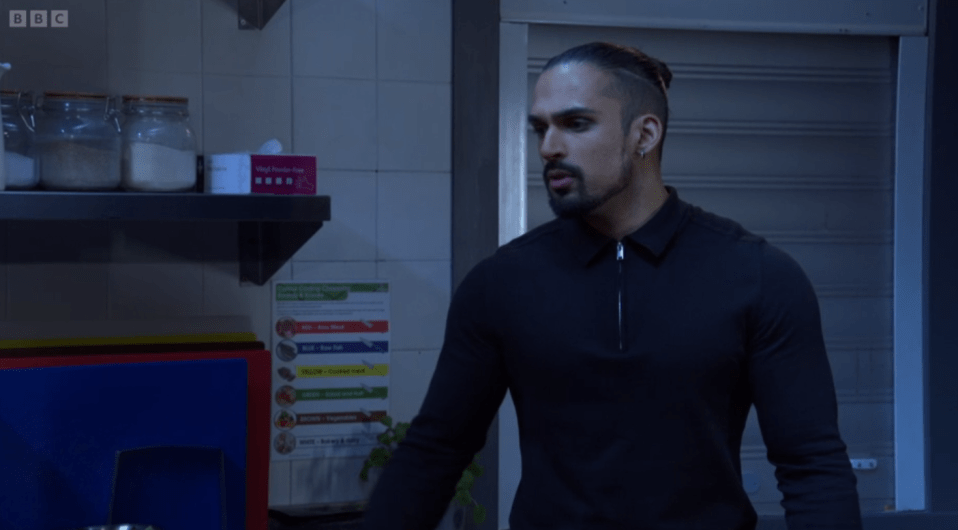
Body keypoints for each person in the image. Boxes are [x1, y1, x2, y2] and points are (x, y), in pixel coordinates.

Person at [361, 41, 863, 530]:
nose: (549, 147)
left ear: (644, 134)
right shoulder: (502, 283)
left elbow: (811, 464)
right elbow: (435, 451)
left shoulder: (757, 275)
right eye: (541, 128)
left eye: (575, 124)